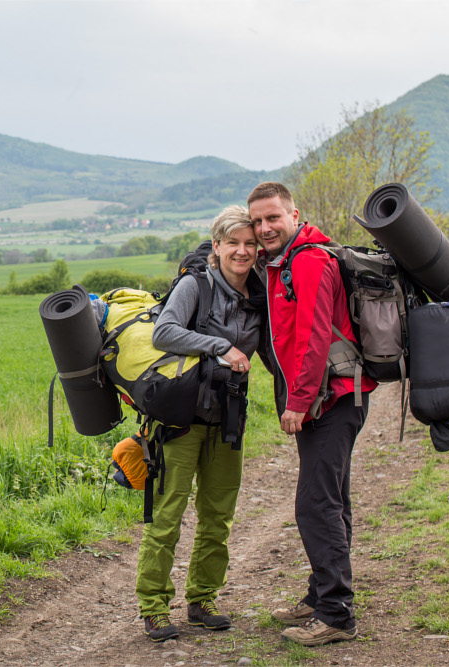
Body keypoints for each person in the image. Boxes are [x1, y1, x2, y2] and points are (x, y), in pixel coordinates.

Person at [247, 182, 376, 646]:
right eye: (257, 221)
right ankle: (320, 595)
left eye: (272, 218)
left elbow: (314, 337)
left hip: (331, 400)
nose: (264, 228)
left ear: (294, 215)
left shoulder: (309, 262)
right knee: (330, 499)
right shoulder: (288, 260)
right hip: (332, 397)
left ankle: (336, 614)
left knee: (315, 505)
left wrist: (298, 402)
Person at [136, 204, 266, 642]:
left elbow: (274, 352)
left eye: (250, 244)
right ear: (217, 246)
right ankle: (154, 606)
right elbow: (164, 332)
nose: (242, 251)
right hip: (182, 420)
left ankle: (202, 599)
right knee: (168, 514)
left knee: (218, 515)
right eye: (233, 243)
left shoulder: (258, 297)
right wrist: (220, 347)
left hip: (228, 419)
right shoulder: (196, 286)